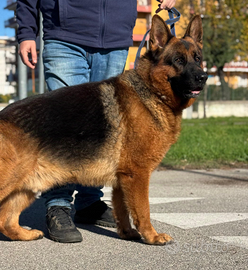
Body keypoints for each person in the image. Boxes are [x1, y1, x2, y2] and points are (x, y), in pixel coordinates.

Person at [16, 0, 176, 243]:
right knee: (66, 127)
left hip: (115, 37)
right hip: (65, 33)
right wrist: (27, 32)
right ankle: (58, 204)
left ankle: (89, 201)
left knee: (106, 131)